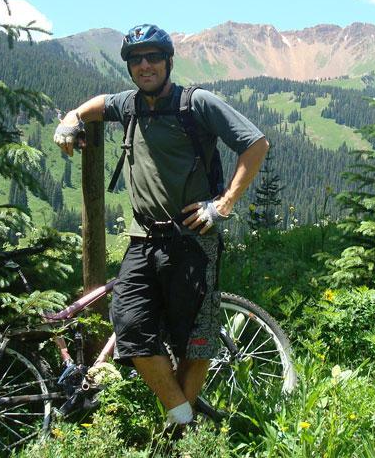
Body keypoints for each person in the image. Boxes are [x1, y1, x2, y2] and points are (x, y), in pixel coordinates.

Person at [53, 23, 269, 431]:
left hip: (193, 239)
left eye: (153, 57)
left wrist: (222, 205)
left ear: (169, 62)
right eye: (136, 60)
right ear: (130, 67)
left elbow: (256, 145)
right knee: (131, 327)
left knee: (194, 340)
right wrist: (72, 116)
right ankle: (184, 418)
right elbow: (99, 104)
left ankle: (177, 436)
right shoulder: (130, 104)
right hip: (142, 240)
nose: (145, 65)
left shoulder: (196, 103)